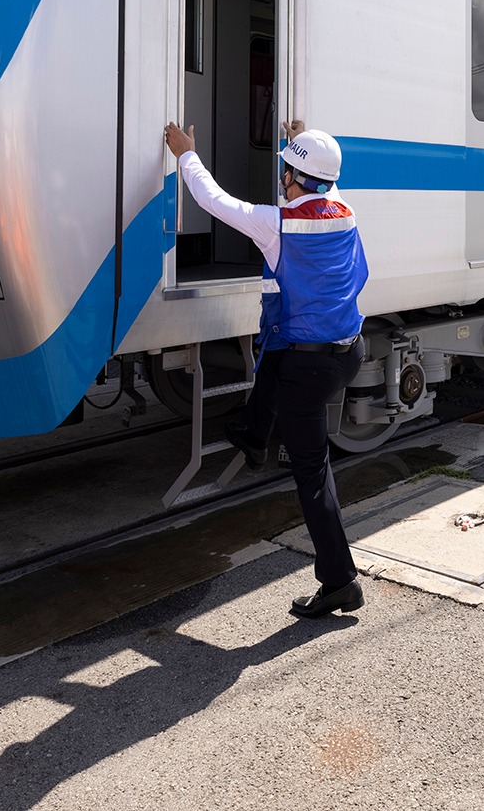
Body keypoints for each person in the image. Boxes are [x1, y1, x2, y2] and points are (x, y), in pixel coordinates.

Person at [163, 120, 369, 620]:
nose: (280, 178)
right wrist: (305, 142)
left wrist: (186, 154)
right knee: (274, 353)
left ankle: (341, 582)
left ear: (293, 179)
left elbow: (214, 202)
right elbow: (322, 178)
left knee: (312, 475)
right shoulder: (342, 210)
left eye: (285, 169)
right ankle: (254, 436)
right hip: (346, 352)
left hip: (310, 368)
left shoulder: (275, 223)